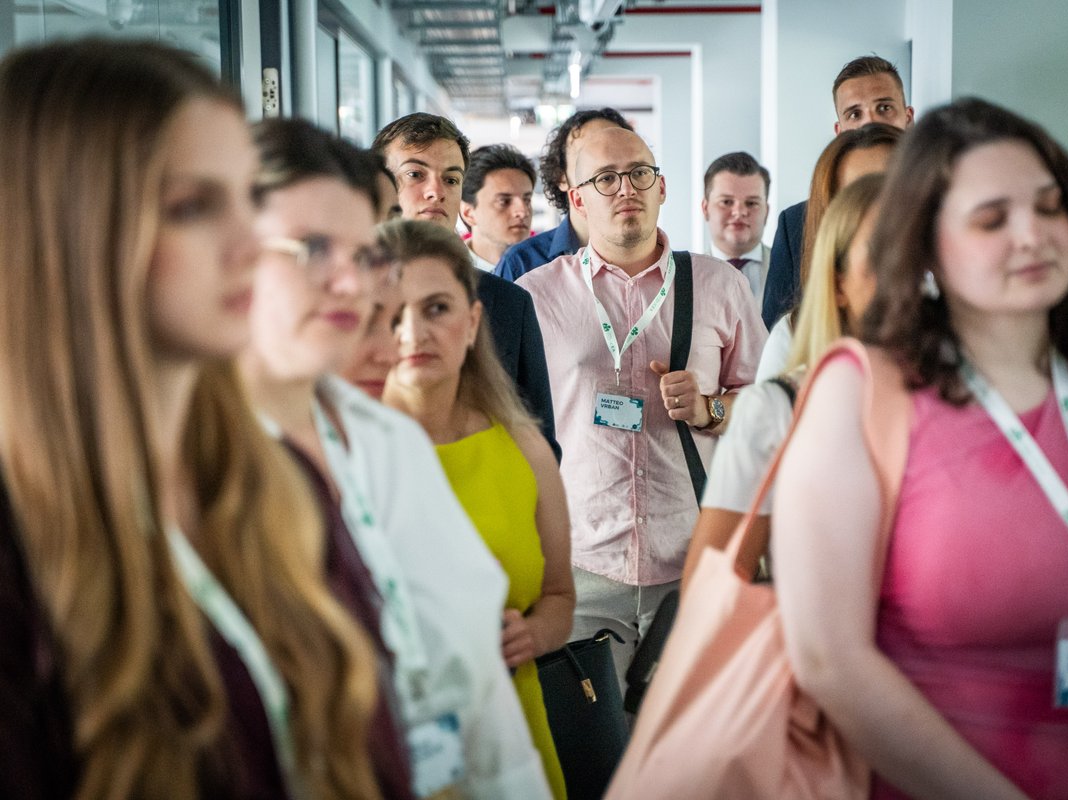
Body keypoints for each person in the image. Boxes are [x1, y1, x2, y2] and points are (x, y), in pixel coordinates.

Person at [0, 39, 399, 799]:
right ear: (69, 233)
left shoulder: (276, 485)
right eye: (192, 206)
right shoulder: (18, 549)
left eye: (249, 197)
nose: (255, 243)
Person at [773, 98, 1068, 799]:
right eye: (992, 219)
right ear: (927, 241)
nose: (1032, 236)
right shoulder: (859, 392)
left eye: (1049, 207)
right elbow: (829, 659)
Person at [243, 117, 553, 800]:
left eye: (361, 253)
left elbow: (480, 697)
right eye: (311, 248)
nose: (352, 286)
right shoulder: (191, 466)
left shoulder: (386, 443)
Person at [517, 126, 766, 683]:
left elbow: (770, 408)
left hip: (692, 560)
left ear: (662, 188)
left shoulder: (719, 285)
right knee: (594, 755)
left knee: (688, 755)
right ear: (577, 198)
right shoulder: (535, 296)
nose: (624, 188)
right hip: (580, 568)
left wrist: (711, 410)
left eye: (638, 174)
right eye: (605, 178)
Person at [376, 219, 574, 799]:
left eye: (437, 307)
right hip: (388, 745)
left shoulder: (524, 447)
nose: (414, 332)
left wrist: (534, 634)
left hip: (512, 735)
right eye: (392, 312)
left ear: (473, 322)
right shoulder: (345, 455)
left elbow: (560, 597)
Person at [681, 173, 884, 590]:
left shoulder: (959, 394)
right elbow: (712, 586)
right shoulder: (782, 402)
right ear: (838, 282)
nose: (910, 273)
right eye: (884, 253)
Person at [373, 112, 560, 459]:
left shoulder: (508, 303)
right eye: (415, 174)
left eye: (451, 179)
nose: (436, 192)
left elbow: (541, 441)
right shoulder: (350, 297)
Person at [763, 54, 914, 327]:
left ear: (908, 117)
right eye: (855, 114)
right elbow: (774, 330)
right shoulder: (796, 224)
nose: (871, 123)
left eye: (884, 108)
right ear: (839, 130)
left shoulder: (944, 207)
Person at [756, 123, 900, 380]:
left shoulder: (961, 321)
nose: (880, 212)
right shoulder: (792, 338)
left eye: (894, 190)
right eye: (857, 197)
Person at [495, 107, 633, 281]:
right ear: (561, 177)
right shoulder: (521, 265)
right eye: (587, 154)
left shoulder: (654, 259)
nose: (605, 164)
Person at [701, 151, 772, 308]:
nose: (739, 212)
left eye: (751, 203)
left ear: (766, 211)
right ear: (705, 208)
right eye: (726, 202)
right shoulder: (682, 277)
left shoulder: (795, 273)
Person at [460, 144, 536, 273]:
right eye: (504, 201)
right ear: (469, 213)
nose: (523, 212)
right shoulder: (447, 273)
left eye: (526, 199)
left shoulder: (552, 268)